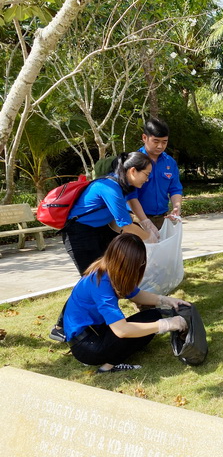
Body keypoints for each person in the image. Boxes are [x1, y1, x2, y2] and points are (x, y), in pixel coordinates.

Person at [50, 152, 155, 343]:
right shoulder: (109, 187)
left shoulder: (126, 186)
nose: (147, 179)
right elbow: (125, 225)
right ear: (132, 171)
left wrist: (146, 225)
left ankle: (112, 317)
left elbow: (124, 220)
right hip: (79, 233)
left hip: (100, 230)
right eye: (146, 174)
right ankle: (61, 327)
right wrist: (152, 238)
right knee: (94, 279)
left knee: (113, 272)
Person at [62, 234, 190, 373]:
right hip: (87, 346)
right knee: (139, 329)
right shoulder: (100, 283)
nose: (140, 267)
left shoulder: (110, 270)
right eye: (138, 264)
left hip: (98, 331)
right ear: (126, 263)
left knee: (152, 316)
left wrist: (165, 300)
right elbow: (121, 330)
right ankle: (109, 365)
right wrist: (166, 324)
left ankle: (110, 356)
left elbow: (136, 295)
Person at [127, 118, 183, 239]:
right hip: (138, 219)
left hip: (162, 219)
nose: (160, 146)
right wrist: (144, 221)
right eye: (156, 141)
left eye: (164, 142)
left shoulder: (170, 162)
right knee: (140, 256)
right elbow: (131, 196)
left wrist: (176, 207)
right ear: (144, 138)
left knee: (162, 255)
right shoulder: (134, 162)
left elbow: (175, 189)